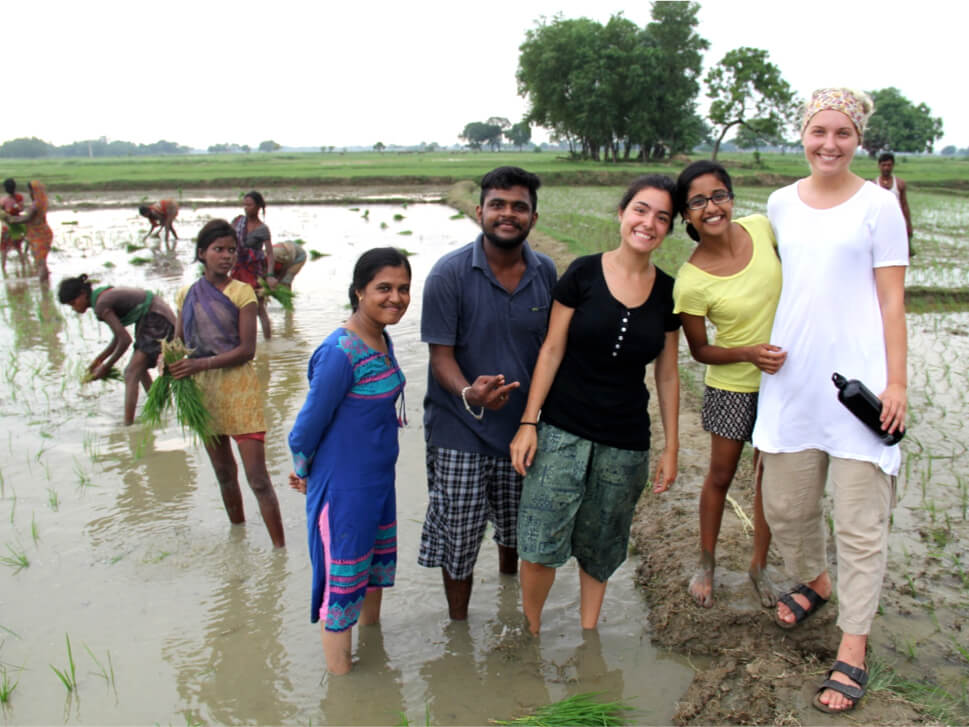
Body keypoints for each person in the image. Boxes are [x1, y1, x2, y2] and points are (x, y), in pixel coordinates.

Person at [753, 88, 907, 714]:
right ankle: (816, 580)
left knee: (862, 526)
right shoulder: (780, 203)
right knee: (784, 506)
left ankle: (852, 648)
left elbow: (892, 300)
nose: (829, 144)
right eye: (819, 131)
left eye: (843, 133)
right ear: (804, 134)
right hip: (793, 380)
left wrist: (896, 383)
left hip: (859, 389)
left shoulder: (879, 205)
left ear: (858, 139)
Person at [509, 174, 681, 635]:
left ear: (668, 229)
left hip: (625, 442)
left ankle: (589, 635)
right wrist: (529, 423)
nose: (649, 223)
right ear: (622, 213)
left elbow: (667, 373)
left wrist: (671, 447)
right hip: (561, 430)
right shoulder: (583, 272)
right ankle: (531, 632)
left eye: (662, 217)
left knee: (603, 545)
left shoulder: (667, 292)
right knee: (539, 541)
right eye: (641, 210)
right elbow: (551, 350)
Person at [418, 166, 557, 620]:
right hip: (459, 429)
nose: (507, 214)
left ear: (533, 217)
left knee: (517, 531)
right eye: (498, 204)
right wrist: (469, 394)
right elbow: (441, 359)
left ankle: (510, 606)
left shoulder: (546, 273)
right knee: (459, 539)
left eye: (519, 206)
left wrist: (534, 420)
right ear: (480, 211)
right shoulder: (449, 274)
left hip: (521, 430)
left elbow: (551, 352)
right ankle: (458, 625)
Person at [288, 247, 410, 675]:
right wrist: (304, 472)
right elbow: (304, 430)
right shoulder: (339, 352)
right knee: (341, 588)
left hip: (377, 484)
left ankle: (373, 654)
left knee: (372, 574)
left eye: (403, 289)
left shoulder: (381, 336)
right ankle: (344, 692)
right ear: (359, 291)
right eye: (383, 288)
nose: (395, 297)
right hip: (343, 491)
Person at [672, 160, 786, 609]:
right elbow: (700, 351)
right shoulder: (691, 280)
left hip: (783, 383)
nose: (711, 207)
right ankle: (707, 561)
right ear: (686, 215)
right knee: (720, 476)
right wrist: (747, 353)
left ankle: (759, 565)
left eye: (719, 195)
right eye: (698, 201)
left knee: (767, 479)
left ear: (732, 199)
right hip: (732, 388)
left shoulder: (763, 229)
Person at [169, 219, 285, 548]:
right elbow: (179, 341)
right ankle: (239, 537)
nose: (227, 256)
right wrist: (168, 360)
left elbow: (246, 350)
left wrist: (199, 363)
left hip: (239, 390)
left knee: (258, 479)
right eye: (218, 250)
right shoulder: (186, 294)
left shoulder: (242, 293)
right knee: (223, 473)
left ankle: (279, 550)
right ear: (202, 253)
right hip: (203, 392)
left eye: (232, 250)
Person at [57, 275, 176, 425]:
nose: (74, 308)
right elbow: (117, 338)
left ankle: (128, 426)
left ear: (83, 294)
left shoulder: (101, 304)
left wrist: (105, 367)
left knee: (131, 372)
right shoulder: (100, 298)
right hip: (151, 315)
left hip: (156, 317)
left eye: (73, 303)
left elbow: (125, 340)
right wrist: (98, 360)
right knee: (139, 369)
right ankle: (160, 409)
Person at [231, 191, 275, 339]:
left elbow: (269, 253)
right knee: (235, 306)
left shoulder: (263, 229)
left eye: (249, 205)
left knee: (259, 308)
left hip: (254, 272)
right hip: (238, 269)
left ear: (258, 207)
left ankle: (268, 343)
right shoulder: (237, 223)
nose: (246, 208)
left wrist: (269, 275)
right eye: (244, 204)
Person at [9, 181, 54, 282]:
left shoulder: (36, 205)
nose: (29, 193)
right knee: (42, 262)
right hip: (43, 233)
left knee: (40, 262)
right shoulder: (42, 202)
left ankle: (43, 287)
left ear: (34, 191)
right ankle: (45, 285)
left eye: (30, 190)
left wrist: (11, 219)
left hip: (40, 235)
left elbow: (27, 218)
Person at [871, 152, 914, 256]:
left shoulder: (899, 184)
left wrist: (908, 225)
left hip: (896, 223)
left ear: (893, 166)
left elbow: (904, 205)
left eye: (889, 165)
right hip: (879, 224)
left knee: (896, 252)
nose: (886, 168)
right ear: (879, 166)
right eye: (883, 165)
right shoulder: (873, 184)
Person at [1, 178, 28, 276]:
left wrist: (7, 212)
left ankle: (4, 271)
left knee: (3, 250)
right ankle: (24, 268)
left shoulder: (3, 200)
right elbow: (21, 208)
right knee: (19, 248)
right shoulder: (19, 197)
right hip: (18, 225)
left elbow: (3, 213)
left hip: (7, 227)